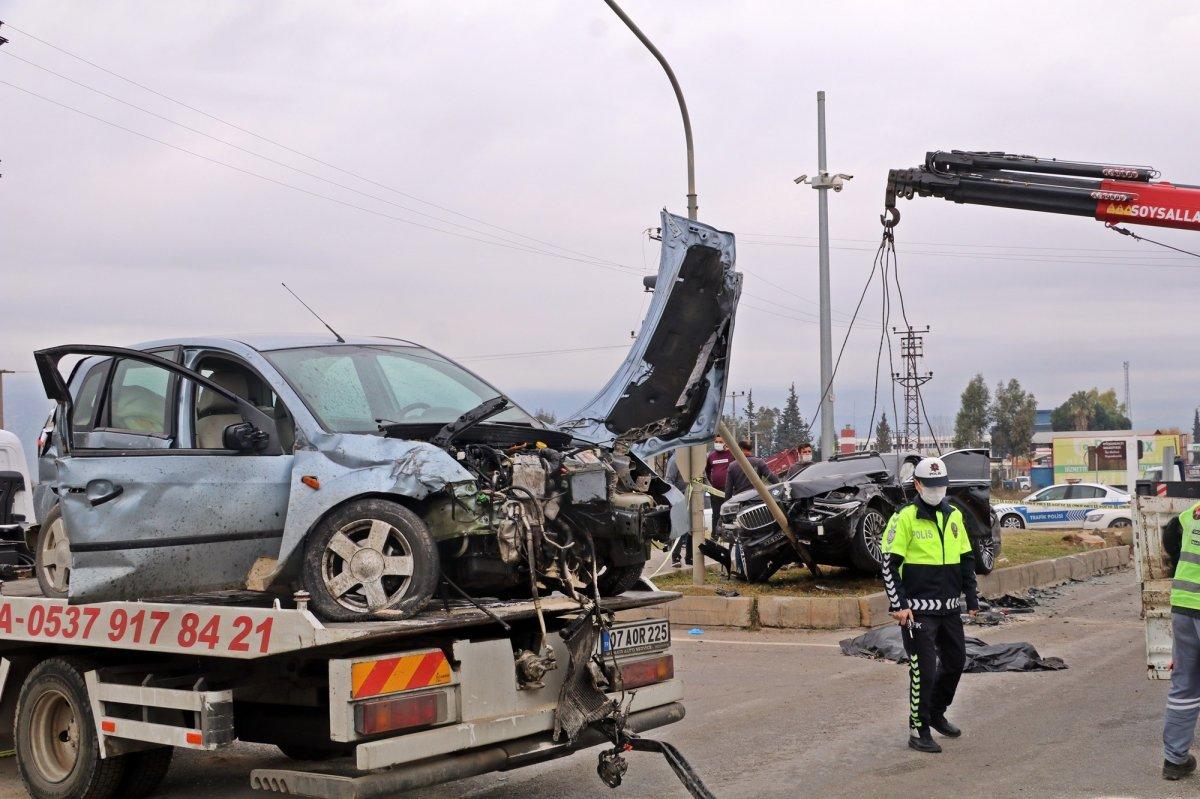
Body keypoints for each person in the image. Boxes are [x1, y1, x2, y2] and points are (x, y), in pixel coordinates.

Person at [880, 456, 979, 754]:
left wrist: (971, 597)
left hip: (949, 607)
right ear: (917, 485)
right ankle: (918, 727)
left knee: (955, 661)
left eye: (941, 485)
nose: (937, 490)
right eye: (931, 485)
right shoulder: (905, 517)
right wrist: (899, 605)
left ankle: (936, 712)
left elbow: (966, 559)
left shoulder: (954, 516)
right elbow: (889, 565)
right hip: (917, 609)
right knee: (923, 668)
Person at [1159, 501, 1200, 780]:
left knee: (1184, 685)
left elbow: (1170, 538)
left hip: (1185, 608)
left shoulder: (1192, 514)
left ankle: (1174, 760)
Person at [704, 435, 736, 541]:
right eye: (716, 441)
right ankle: (715, 536)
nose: (718, 443)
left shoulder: (731, 454)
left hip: (729, 490)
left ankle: (729, 536)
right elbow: (707, 471)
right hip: (715, 490)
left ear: (725, 443)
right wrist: (711, 481)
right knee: (716, 514)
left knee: (729, 513)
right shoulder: (711, 456)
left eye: (720, 441)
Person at [664, 450, 692, 567]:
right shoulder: (675, 460)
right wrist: (674, 498)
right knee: (680, 529)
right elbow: (668, 480)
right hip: (679, 499)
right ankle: (676, 557)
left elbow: (702, 478)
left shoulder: (696, 458)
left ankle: (690, 557)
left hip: (694, 498)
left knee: (693, 529)